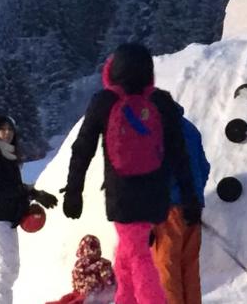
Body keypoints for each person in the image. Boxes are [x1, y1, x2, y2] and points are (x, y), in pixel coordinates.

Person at [62, 42, 200, 304]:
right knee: (126, 252)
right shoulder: (161, 102)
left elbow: (82, 149)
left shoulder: (105, 101)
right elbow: (179, 154)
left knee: (138, 256)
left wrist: (73, 191)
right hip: (155, 196)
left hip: (122, 195)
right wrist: (189, 195)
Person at [0, 114, 58, 304]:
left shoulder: (5, 154)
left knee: (9, 269)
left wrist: (32, 193)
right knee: (1, 272)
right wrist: (30, 193)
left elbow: (8, 186)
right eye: (2, 129)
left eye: (10, 129)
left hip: (4, 219)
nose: (8, 132)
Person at [151, 117, 210, 304]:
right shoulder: (190, 129)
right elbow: (204, 168)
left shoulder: (156, 130)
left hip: (168, 209)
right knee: (189, 268)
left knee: (166, 268)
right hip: (193, 208)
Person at [46, 234, 116, 304]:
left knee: (76, 300)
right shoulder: (81, 264)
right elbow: (109, 281)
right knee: (67, 298)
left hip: (93, 294)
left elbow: (109, 281)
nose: (91, 251)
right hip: (83, 292)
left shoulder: (102, 264)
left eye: (92, 248)